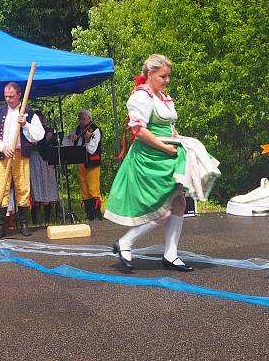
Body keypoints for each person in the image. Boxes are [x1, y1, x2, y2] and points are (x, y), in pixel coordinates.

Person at [105, 54, 195, 272]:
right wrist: (165, 147)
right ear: (150, 74)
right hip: (150, 158)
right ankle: (125, 243)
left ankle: (170, 255)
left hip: (167, 156)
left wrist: (181, 142)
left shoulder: (162, 96)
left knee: (179, 202)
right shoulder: (141, 97)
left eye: (168, 76)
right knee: (161, 210)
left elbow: (169, 126)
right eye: (163, 76)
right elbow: (139, 130)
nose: (167, 80)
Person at [0, 82, 45, 238]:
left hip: (20, 155)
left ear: (19, 95)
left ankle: (24, 223)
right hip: (3, 155)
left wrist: (25, 125)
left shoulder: (28, 113)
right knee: (1, 190)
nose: (8, 99)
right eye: (6, 96)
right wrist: (2, 147)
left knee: (23, 188)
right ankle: (1, 225)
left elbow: (39, 135)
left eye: (11, 96)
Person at [65, 109, 103, 221]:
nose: (81, 121)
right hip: (81, 161)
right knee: (85, 190)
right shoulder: (77, 129)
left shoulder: (95, 130)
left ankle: (97, 214)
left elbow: (92, 149)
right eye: (79, 118)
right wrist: (70, 138)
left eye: (83, 119)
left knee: (93, 188)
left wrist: (87, 140)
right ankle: (89, 214)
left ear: (89, 119)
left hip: (92, 162)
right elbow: (66, 142)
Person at [30, 110, 59, 224]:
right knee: (36, 186)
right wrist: (44, 140)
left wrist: (51, 138)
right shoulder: (29, 131)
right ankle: (34, 219)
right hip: (35, 160)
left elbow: (54, 144)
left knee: (48, 186)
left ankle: (48, 217)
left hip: (47, 160)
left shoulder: (49, 130)